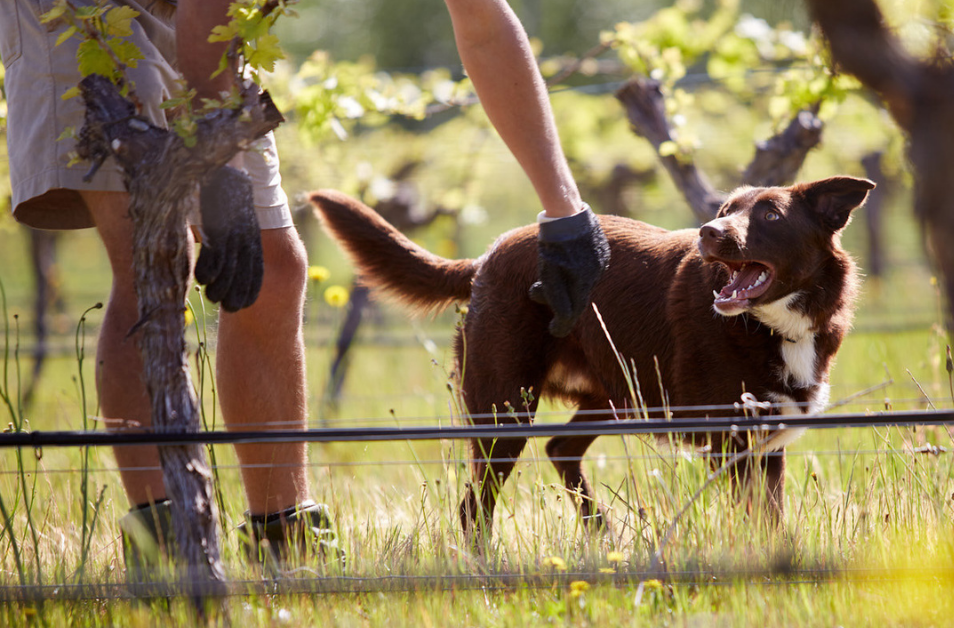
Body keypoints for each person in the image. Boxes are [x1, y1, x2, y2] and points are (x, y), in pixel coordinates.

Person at [0, 0, 607, 570]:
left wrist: (565, 210)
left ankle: (284, 538)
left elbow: (482, 23)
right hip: (91, 16)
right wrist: (216, 178)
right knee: (155, 257)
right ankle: (170, 546)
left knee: (274, 266)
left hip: (207, 22)